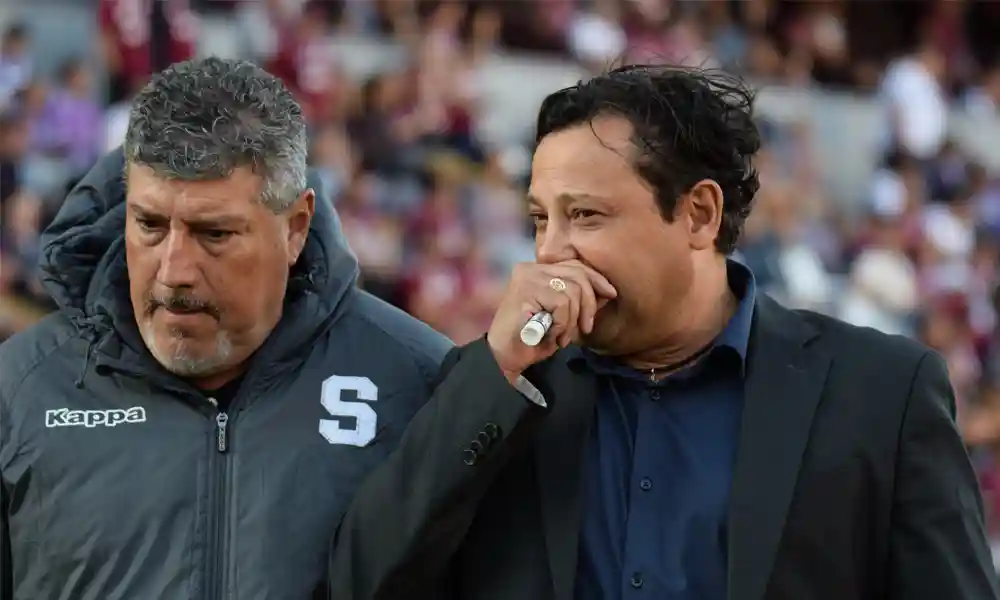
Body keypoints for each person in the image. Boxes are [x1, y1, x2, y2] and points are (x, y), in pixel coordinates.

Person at [327, 65, 1000, 600]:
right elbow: (364, 583)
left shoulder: (881, 392)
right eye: (539, 220)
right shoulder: (495, 393)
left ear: (700, 215)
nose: (551, 253)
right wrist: (492, 381)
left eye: (585, 216)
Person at [0, 57, 452, 599]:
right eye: (148, 225)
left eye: (213, 234)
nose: (173, 272)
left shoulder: (419, 384)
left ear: (295, 228)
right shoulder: (18, 391)